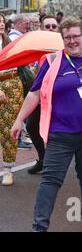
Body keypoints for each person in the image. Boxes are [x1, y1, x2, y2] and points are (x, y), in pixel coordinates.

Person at [10, 17, 82, 232]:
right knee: (51, 181)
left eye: (76, 36)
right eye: (67, 38)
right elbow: (34, 94)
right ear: (62, 39)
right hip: (61, 134)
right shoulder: (52, 61)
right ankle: (39, 227)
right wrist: (19, 120)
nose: (72, 41)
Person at [26, 15, 60, 175]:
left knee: (55, 131)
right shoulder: (35, 47)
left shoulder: (63, 47)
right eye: (48, 26)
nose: (51, 29)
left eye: (54, 26)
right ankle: (43, 159)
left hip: (58, 97)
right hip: (39, 96)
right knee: (32, 126)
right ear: (41, 28)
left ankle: (52, 164)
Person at [0, 14, 24, 185]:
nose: (1, 24)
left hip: (13, 86)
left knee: (10, 129)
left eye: (2, 22)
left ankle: (8, 170)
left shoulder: (12, 43)